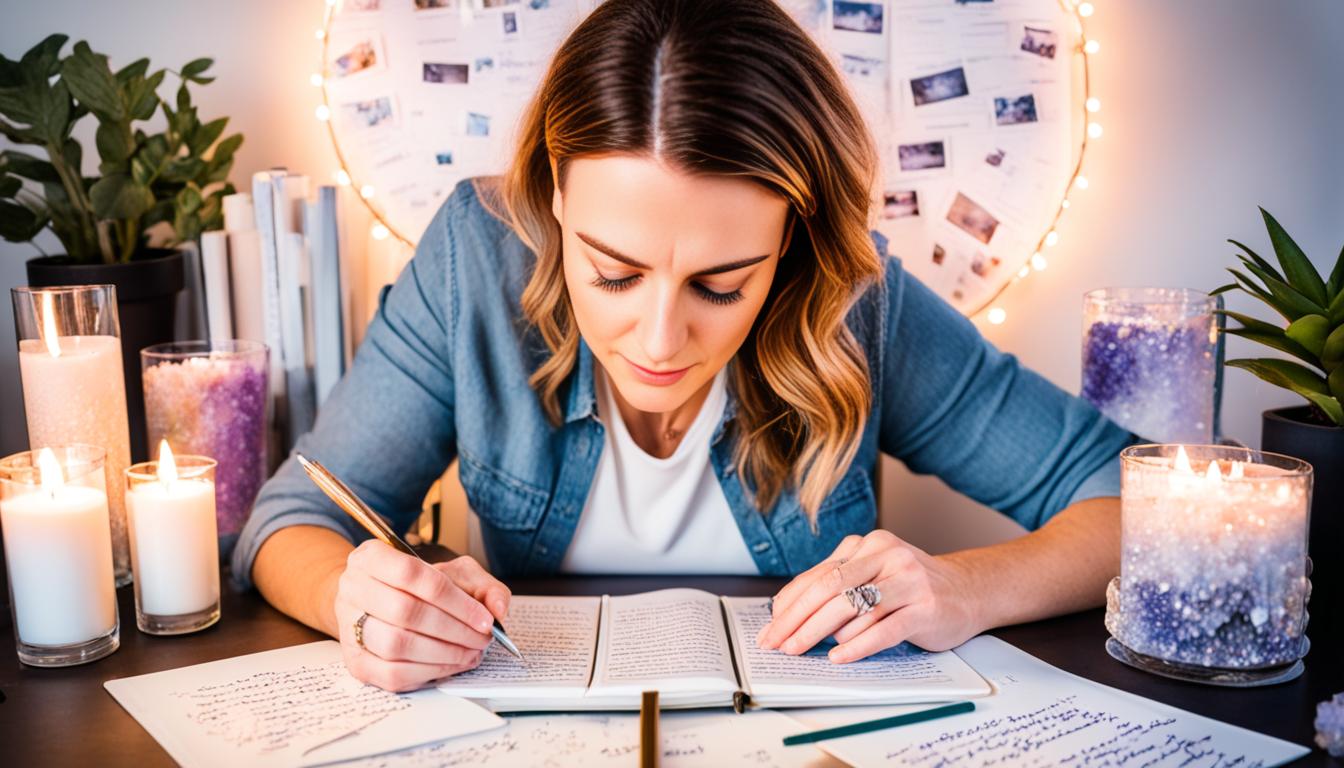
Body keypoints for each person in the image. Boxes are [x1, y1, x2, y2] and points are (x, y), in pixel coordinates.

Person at [234, 0, 1135, 692]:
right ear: (553, 201)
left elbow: (1134, 500)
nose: (661, 341)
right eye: (615, 275)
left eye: (722, 284)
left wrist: (965, 589)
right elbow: (290, 524)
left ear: (791, 243)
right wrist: (355, 602)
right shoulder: (476, 256)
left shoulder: (854, 299)